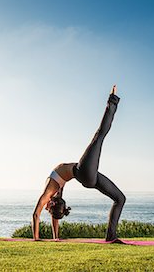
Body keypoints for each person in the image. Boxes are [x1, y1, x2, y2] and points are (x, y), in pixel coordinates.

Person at [32, 84, 126, 243]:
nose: (45, 209)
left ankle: (111, 236)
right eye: (48, 209)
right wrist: (36, 239)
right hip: (83, 172)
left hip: (89, 177)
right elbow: (36, 214)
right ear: (52, 202)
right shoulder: (50, 192)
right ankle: (113, 101)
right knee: (99, 136)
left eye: (47, 210)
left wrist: (56, 238)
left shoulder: (55, 194)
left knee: (120, 199)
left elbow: (54, 216)